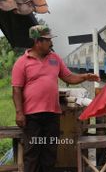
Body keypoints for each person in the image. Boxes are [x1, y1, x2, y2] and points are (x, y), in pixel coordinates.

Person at [11, 25, 100, 172]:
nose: (51, 43)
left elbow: (68, 77)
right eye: (48, 40)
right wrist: (19, 112)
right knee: (32, 152)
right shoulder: (22, 62)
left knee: (50, 153)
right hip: (31, 116)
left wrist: (85, 76)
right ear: (37, 41)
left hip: (52, 114)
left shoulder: (55, 58)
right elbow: (16, 89)